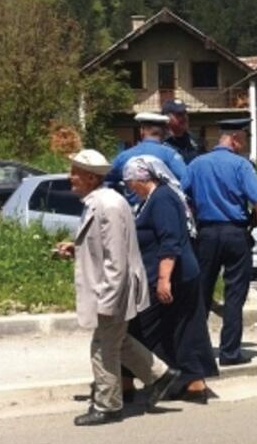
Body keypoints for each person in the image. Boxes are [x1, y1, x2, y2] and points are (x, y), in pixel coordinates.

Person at [55, 149, 180, 426]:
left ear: (89, 177)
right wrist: (75, 248)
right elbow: (102, 246)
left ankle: (108, 405)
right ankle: (160, 375)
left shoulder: (108, 205)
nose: (70, 177)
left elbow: (116, 258)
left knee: (103, 346)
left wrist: (107, 300)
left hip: (112, 288)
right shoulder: (100, 201)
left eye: (75, 172)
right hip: (112, 286)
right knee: (118, 340)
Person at [122, 155, 218, 404]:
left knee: (140, 327)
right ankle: (192, 384)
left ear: (143, 178)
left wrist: (164, 279)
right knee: (180, 330)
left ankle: (156, 379)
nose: (129, 186)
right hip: (173, 274)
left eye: (130, 180)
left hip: (174, 276)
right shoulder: (152, 199)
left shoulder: (162, 198)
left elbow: (170, 240)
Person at [185, 117, 257, 366]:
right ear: (235, 138)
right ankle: (230, 352)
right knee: (235, 294)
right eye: (243, 139)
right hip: (235, 234)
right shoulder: (241, 166)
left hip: (206, 234)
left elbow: (182, 195)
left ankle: (197, 351)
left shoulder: (197, 164)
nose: (243, 145)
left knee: (201, 293)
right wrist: (256, 220)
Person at [107, 112, 189, 202]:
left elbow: (107, 179)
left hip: (133, 212)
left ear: (141, 131)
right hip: (163, 209)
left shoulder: (124, 156)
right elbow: (186, 180)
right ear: (164, 132)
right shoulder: (170, 155)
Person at [162, 99, 203, 163]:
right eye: (179, 114)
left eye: (185, 113)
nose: (185, 117)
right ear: (166, 118)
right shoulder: (161, 142)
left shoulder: (194, 140)